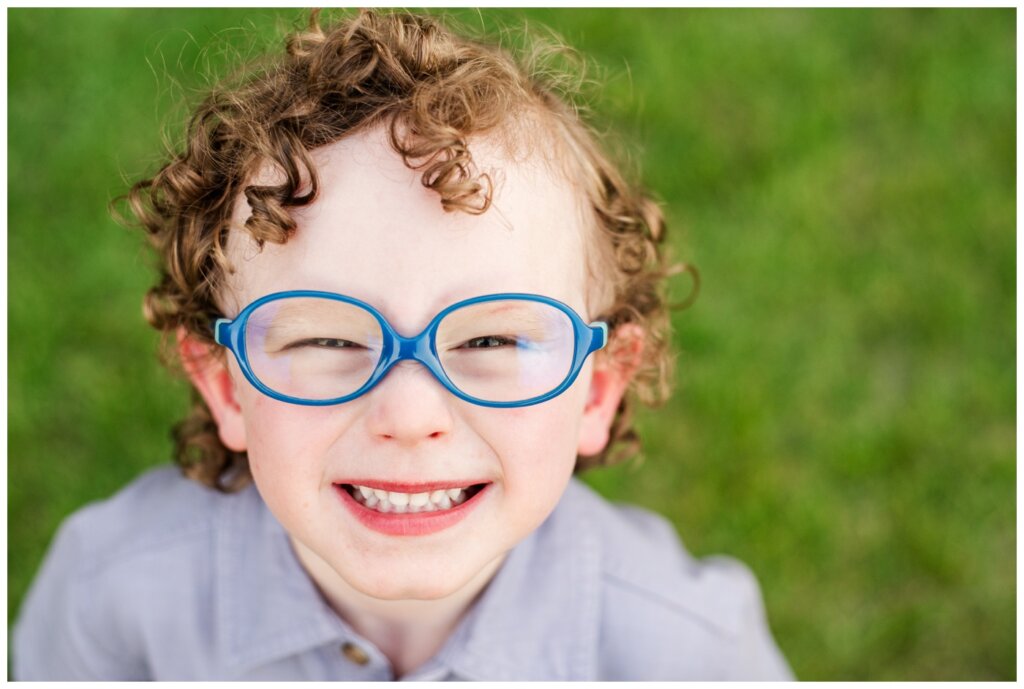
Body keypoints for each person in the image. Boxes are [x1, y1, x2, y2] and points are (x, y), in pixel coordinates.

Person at [12, 9, 793, 680]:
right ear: (226, 386)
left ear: (595, 387)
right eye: (325, 335)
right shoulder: (112, 603)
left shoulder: (689, 651)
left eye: (491, 336)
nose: (409, 411)